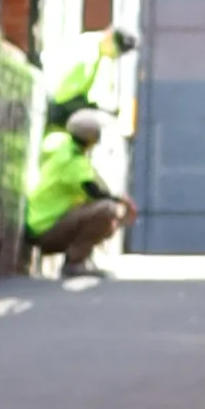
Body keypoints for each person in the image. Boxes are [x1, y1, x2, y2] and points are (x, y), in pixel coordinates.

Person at [24, 29, 134, 275]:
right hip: (45, 229)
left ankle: (81, 259)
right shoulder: (71, 159)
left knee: (97, 206)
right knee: (107, 211)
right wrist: (121, 202)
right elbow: (95, 191)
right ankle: (75, 262)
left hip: (40, 222)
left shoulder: (58, 144)